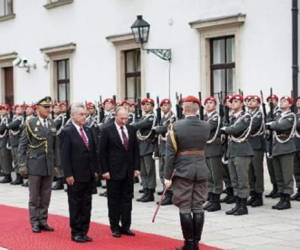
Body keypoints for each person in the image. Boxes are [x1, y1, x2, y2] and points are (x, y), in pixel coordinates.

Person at [164, 96, 210, 250]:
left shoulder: (176, 126)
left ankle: (189, 244)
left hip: (183, 170)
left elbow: (170, 154)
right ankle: (196, 243)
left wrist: (166, 176)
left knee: (184, 206)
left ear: (183, 109)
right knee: (198, 206)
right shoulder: (206, 125)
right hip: (201, 168)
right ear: (197, 109)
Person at [60, 103, 99, 243]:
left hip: (88, 174)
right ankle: (76, 232)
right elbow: (64, 156)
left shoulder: (88, 131)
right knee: (76, 204)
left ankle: (84, 230)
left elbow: (93, 152)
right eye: (81, 114)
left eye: (85, 114)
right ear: (73, 116)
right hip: (75, 175)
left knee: (87, 203)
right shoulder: (67, 131)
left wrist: (95, 171)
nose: (84, 117)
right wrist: (68, 174)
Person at [99, 107, 140, 238]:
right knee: (114, 200)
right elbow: (102, 152)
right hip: (113, 171)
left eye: (126, 118)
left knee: (127, 199)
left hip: (128, 171)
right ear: (115, 116)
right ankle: (115, 227)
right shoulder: (107, 130)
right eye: (121, 118)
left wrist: (137, 168)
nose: (124, 121)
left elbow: (135, 150)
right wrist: (104, 170)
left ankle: (126, 226)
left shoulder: (132, 129)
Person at [18, 96, 56, 233]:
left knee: (46, 196)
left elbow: (55, 146)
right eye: (46, 107)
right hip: (34, 164)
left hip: (48, 165)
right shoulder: (30, 123)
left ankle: (43, 220)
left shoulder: (51, 123)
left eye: (49, 107)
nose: (48, 109)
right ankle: (34, 222)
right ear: (38, 108)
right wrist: (22, 164)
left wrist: (56, 165)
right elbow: (22, 145)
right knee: (34, 197)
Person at [221, 94, 254, 216]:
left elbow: (235, 129)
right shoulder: (231, 117)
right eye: (231, 101)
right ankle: (237, 204)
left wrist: (225, 129)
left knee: (242, 179)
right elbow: (224, 127)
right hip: (232, 151)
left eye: (236, 101)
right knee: (234, 179)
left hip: (242, 150)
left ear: (241, 104)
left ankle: (243, 206)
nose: (233, 103)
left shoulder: (246, 117)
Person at [266, 96, 296, 210]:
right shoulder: (278, 116)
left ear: (290, 104)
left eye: (285, 101)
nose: (282, 103)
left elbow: (282, 126)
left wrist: (271, 125)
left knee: (286, 175)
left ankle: (287, 200)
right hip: (276, 148)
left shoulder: (291, 116)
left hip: (286, 148)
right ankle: (281, 198)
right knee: (278, 175)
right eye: (281, 101)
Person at [132, 98, 156, 202]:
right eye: (144, 105)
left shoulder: (151, 117)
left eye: (148, 104)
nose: (145, 106)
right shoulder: (142, 117)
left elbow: (139, 125)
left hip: (148, 147)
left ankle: (150, 192)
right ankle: (145, 190)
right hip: (140, 147)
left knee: (149, 170)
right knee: (143, 171)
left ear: (152, 106)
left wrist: (133, 124)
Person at [203, 96, 223, 212]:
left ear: (215, 105)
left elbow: (207, 127)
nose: (208, 105)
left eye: (211, 103)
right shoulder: (204, 117)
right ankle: (211, 198)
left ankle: (216, 201)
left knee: (216, 176)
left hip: (214, 149)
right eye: (207, 103)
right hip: (206, 149)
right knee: (209, 176)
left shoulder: (216, 117)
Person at [246, 95, 265, 207]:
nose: (250, 102)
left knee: (257, 171)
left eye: (253, 101)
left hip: (256, 146)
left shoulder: (259, 115)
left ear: (258, 104)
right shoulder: (247, 114)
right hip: (248, 145)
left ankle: (259, 195)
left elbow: (251, 126)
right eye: (249, 101)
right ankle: (252, 193)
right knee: (250, 172)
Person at [0, 104, 12, 183]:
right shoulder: (2, 119)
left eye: (3, 109)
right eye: (1, 110)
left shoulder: (8, 119)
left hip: (6, 140)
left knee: (6, 158)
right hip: (1, 140)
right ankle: (4, 172)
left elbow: (3, 129)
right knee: (2, 158)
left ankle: (8, 175)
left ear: (7, 110)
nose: (1, 111)